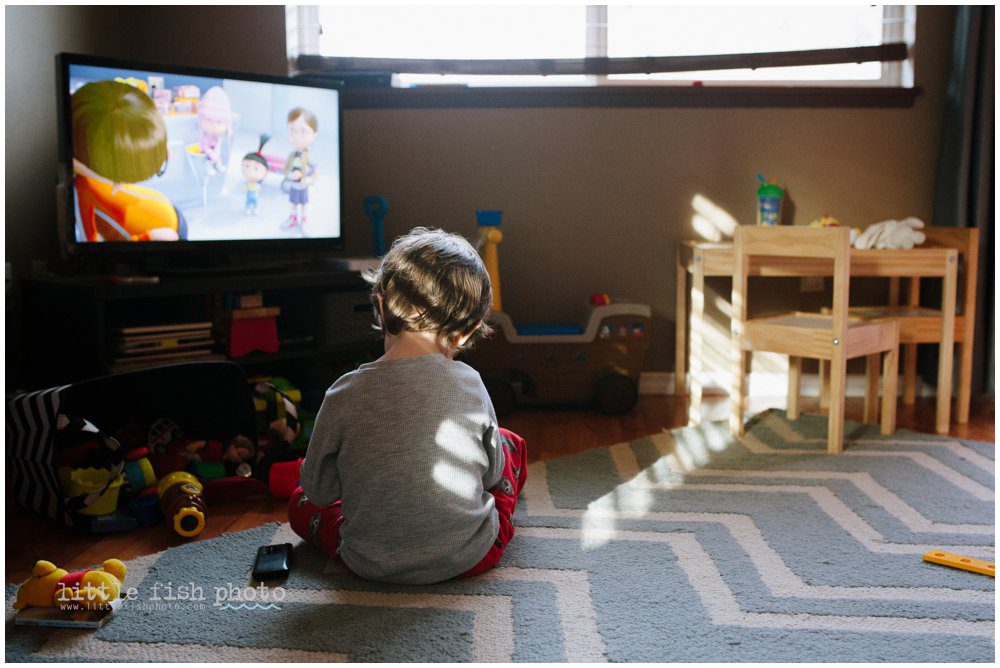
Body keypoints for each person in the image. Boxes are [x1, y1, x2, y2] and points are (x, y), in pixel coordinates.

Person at [288, 227, 527, 584]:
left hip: (368, 561)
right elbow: (491, 476)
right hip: (468, 556)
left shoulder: (342, 392)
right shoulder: (470, 383)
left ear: (380, 307)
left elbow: (320, 492)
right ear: (468, 330)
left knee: (300, 502)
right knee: (510, 446)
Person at [71, 80, 184, 242]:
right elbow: (91, 246)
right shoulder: (81, 192)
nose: (120, 182)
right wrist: (147, 239)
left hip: (170, 217)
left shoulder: (96, 170)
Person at [281, 107, 318, 231]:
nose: (296, 136)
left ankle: (304, 219)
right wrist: (290, 175)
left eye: (303, 131)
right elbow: (286, 169)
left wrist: (309, 180)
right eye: (292, 130)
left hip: (303, 186)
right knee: (294, 203)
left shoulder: (309, 158)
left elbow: (314, 173)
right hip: (294, 185)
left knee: (303, 203)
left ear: (313, 135)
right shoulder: (291, 156)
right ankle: (293, 218)